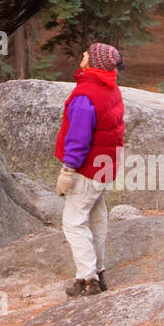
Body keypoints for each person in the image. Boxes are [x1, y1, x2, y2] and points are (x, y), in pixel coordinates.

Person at [54, 42, 125, 297]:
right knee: (96, 218)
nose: (82, 54)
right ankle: (99, 272)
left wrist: (68, 170)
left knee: (74, 222)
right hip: (104, 166)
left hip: (87, 169)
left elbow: (79, 138)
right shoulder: (110, 88)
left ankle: (87, 279)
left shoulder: (86, 95)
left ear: (93, 61)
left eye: (87, 52)